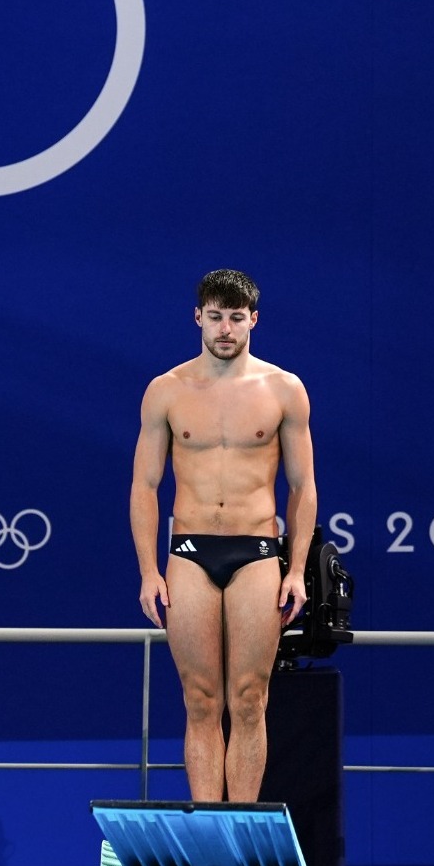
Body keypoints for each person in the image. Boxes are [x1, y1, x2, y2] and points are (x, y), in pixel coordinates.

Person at [129, 269, 316, 802]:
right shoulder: (166, 391)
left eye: (236, 318)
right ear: (198, 318)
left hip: (257, 552)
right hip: (189, 554)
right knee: (201, 699)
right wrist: (148, 571)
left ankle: (244, 831)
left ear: (253, 319)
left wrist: (298, 569)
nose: (226, 329)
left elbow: (303, 486)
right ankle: (211, 831)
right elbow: (145, 485)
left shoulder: (284, 389)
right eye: (216, 317)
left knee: (251, 698)